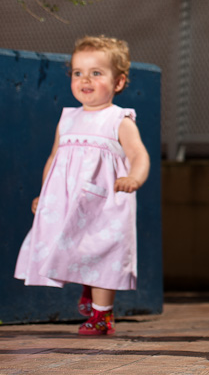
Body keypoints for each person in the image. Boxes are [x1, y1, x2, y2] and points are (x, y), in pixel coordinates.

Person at [15, 35, 150, 336]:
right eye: (78, 73)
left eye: (96, 73)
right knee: (71, 246)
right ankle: (90, 290)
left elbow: (138, 155)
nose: (85, 79)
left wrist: (134, 178)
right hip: (67, 201)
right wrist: (44, 194)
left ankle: (103, 315)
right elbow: (54, 158)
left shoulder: (119, 120)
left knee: (103, 250)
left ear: (118, 82)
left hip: (104, 203)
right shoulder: (68, 118)